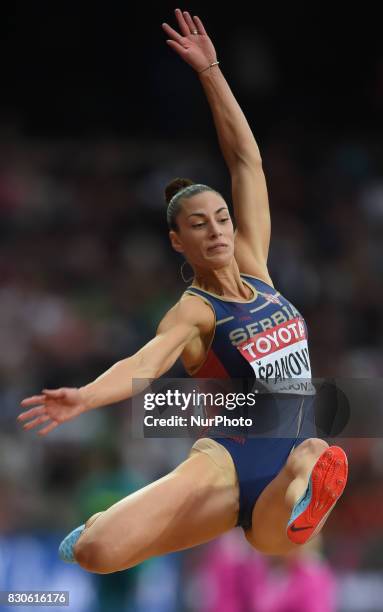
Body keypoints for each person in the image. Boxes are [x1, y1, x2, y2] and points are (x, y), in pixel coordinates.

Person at [18, 8, 348, 574]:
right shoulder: (196, 312)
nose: (218, 229)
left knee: (307, 472)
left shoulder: (258, 271)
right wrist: (86, 397)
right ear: (178, 241)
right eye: (200, 224)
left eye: (222, 218)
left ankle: (311, 490)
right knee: (96, 554)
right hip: (225, 464)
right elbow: (145, 361)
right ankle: (106, 527)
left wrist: (212, 70)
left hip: (289, 470)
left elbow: (246, 161)